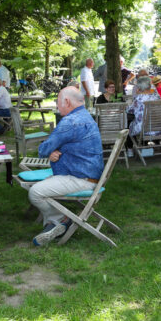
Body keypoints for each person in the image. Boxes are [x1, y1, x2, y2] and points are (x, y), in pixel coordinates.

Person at [29, 88, 103, 246]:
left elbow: (44, 149)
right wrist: (53, 152)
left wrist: (49, 151)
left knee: (35, 192)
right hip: (89, 175)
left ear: (67, 102)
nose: (57, 106)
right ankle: (53, 225)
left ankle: (61, 220)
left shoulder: (70, 122)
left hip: (80, 179)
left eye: (58, 102)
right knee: (42, 186)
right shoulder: (85, 116)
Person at [126, 76, 160, 158]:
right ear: (149, 85)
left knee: (128, 126)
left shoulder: (138, 99)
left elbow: (129, 111)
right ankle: (144, 146)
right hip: (157, 128)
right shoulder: (156, 97)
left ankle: (130, 150)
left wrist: (130, 103)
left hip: (143, 129)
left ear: (139, 87)